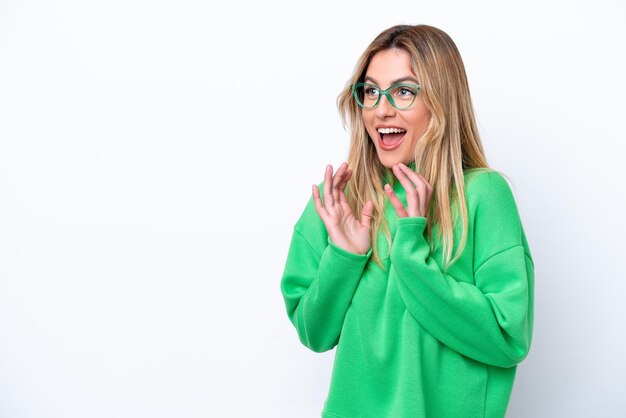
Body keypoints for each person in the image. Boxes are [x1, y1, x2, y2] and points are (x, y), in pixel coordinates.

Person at [279, 24, 534, 418]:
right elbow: (315, 333)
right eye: (370, 91)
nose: (382, 110)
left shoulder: (482, 196)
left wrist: (412, 253)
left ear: (441, 101)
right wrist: (343, 258)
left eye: (403, 91)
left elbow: (507, 337)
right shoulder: (340, 201)